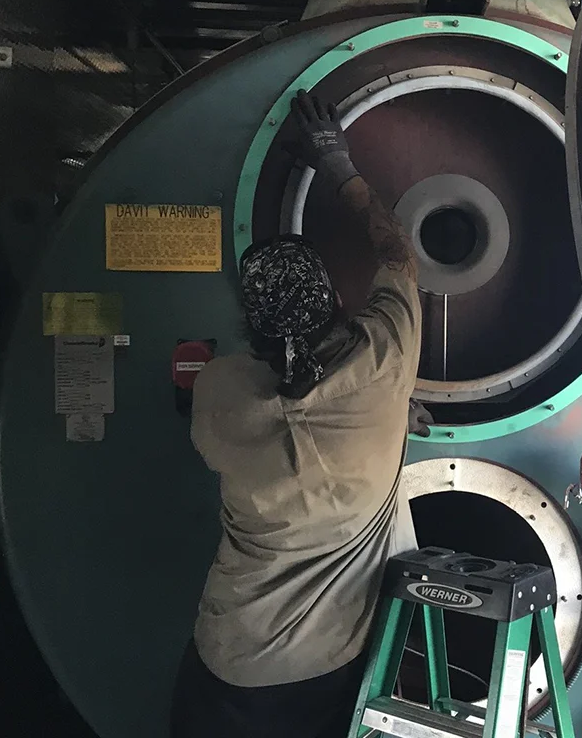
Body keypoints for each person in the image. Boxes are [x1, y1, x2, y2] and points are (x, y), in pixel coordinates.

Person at [171, 90, 429, 738]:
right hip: (321, 669)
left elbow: (286, 395)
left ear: (251, 326)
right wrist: (338, 165)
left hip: (227, 654)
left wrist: (390, 408)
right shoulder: (383, 358)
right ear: (337, 298)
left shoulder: (220, 396)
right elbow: (399, 254)